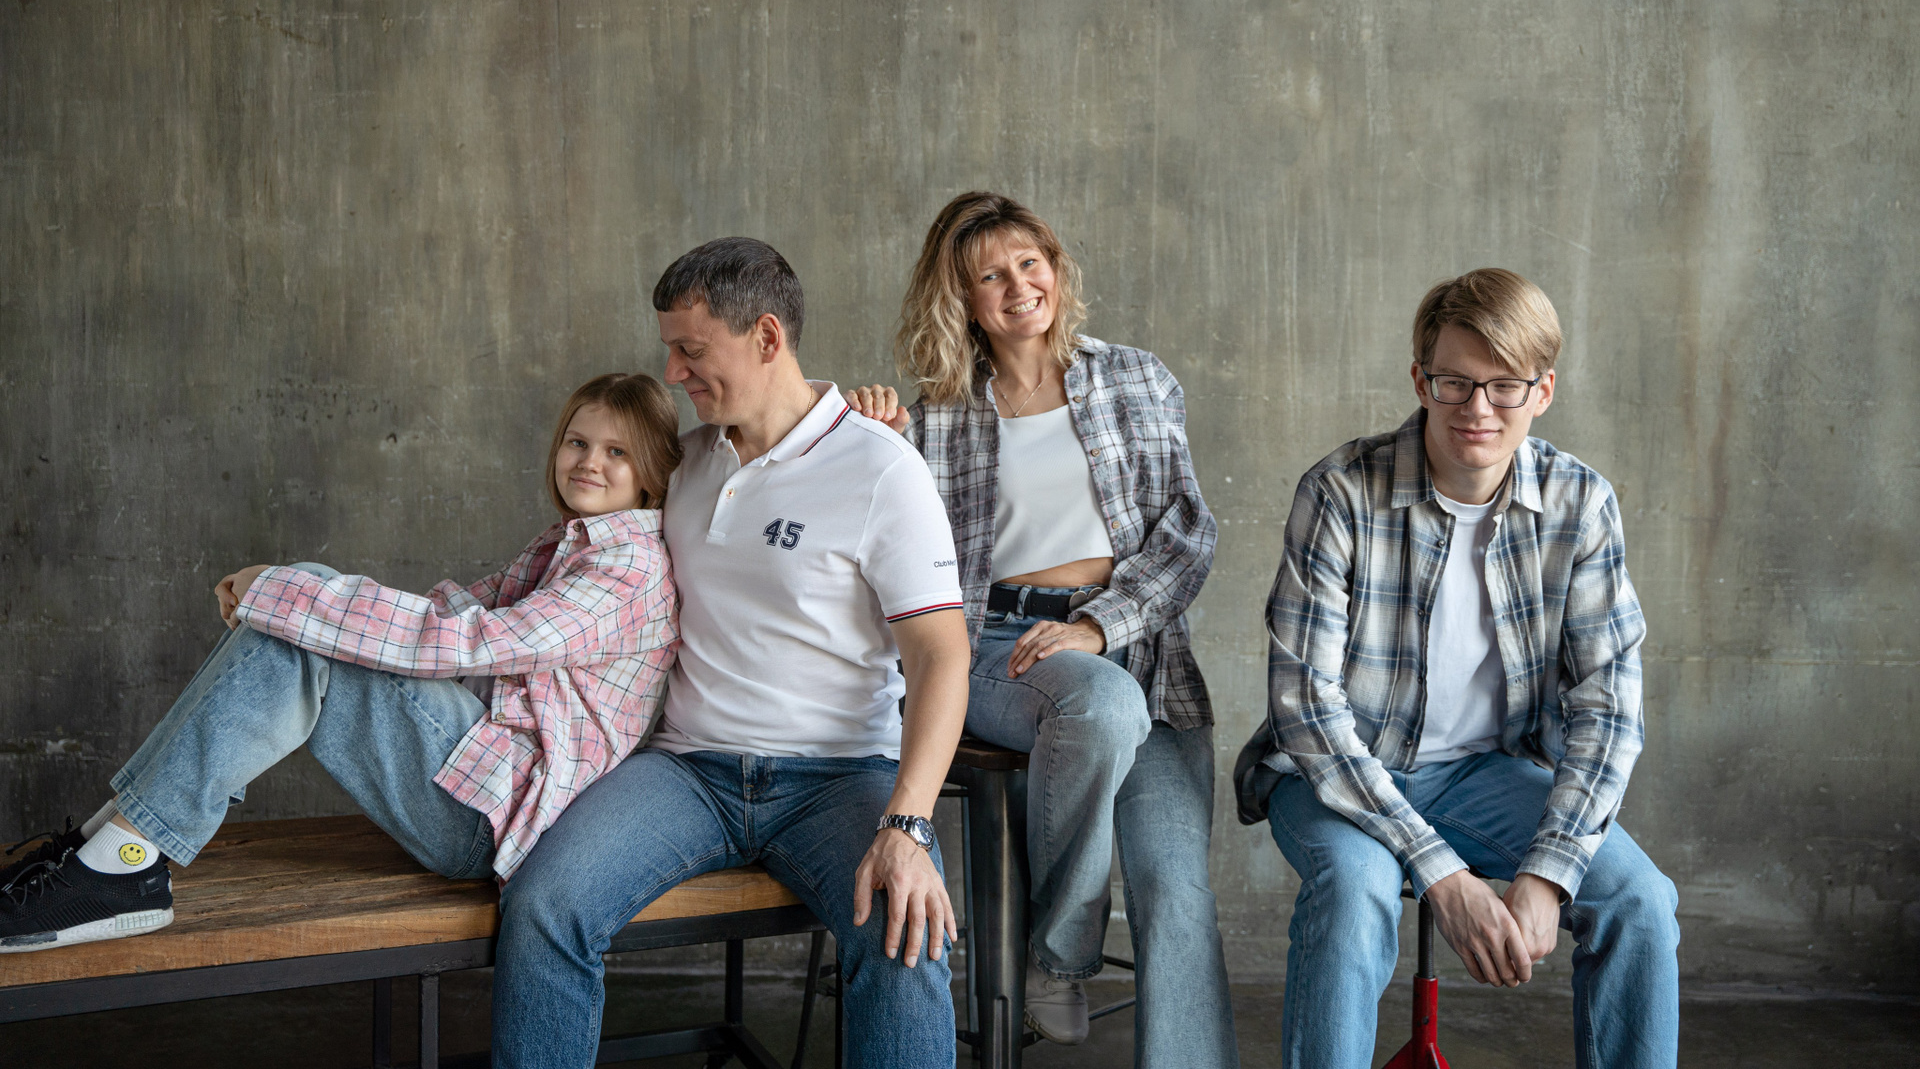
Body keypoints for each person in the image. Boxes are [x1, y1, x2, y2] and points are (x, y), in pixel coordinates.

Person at [491, 238, 971, 1069]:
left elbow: (941, 658)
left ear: (767, 337)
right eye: (670, 350)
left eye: (691, 350)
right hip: (689, 773)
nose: (672, 372)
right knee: (544, 906)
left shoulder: (882, 469)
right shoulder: (682, 462)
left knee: (905, 934)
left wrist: (907, 823)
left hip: (838, 778)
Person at [1, 372, 684, 952]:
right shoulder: (570, 545)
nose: (589, 462)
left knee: (306, 621)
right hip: (476, 788)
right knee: (306, 615)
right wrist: (295, 595)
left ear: (653, 472)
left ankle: (122, 859)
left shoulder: (628, 572)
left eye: (617, 452)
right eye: (577, 442)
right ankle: (110, 845)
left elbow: (470, 643)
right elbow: (448, 614)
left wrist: (289, 593)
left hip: (495, 825)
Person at [1233, 268, 1681, 1068]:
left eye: (1505, 386)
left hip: (1483, 774)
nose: (1478, 409)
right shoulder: (1340, 494)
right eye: (1456, 383)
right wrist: (1440, 872)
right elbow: (1307, 709)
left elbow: (1609, 709)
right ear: (1421, 380)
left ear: (1543, 391)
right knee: (1357, 890)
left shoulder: (1581, 504)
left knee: (1640, 899)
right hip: (1334, 772)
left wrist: (1548, 873)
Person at [850, 192, 1237, 1066]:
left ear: (1056, 269)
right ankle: (1058, 960)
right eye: (990, 275)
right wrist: (872, 444)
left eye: (1030, 263)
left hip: (1139, 648)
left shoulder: (1137, 378)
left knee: (1177, 893)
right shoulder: (939, 414)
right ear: (963, 299)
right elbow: (896, 553)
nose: (1019, 286)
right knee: (1097, 708)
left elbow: (1189, 533)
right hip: (996, 644)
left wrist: (1100, 626)